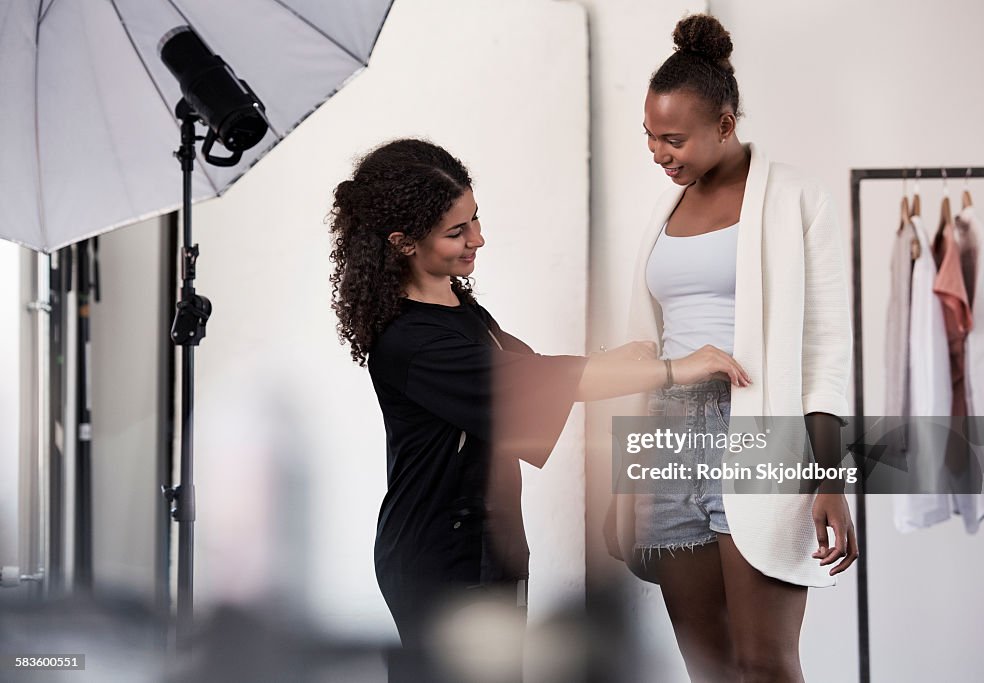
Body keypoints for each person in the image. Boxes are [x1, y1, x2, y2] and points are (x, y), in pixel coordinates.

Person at [327, 138, 749, 682]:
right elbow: (531, 383)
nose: (478, 238)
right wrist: (675, 369)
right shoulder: (409, 339)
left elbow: (529, 364)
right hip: (441, 558)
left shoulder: (454, 302)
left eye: (474, 219)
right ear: (402, 243)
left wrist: (613, 359)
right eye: (457, 232)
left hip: (489, 544)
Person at [604, 14, 858, 683]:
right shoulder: (664, 214)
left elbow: (826, 346)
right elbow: (643, 349)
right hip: (665, 433)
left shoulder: (798, 199)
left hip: (756, 433)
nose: (659, 153)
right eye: (650, 137)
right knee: (709, 667)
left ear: (725, 123)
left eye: (674, 138)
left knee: (764, 662)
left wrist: (828, 475)